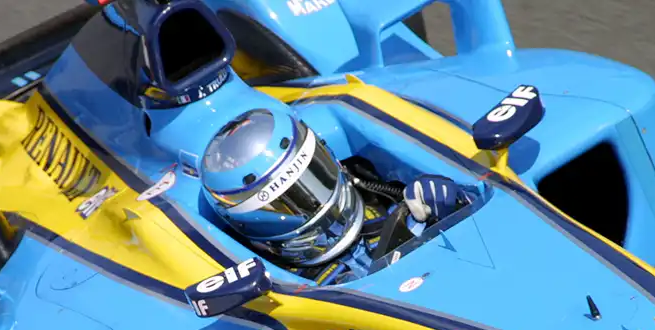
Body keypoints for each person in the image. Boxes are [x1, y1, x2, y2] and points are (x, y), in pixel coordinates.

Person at [200, 106, 481, 284]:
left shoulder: (384, 203)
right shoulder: (287, 285)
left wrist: (454, 201)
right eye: (284, 206)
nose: (312, 205)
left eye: (313, 179)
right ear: (244, 225)